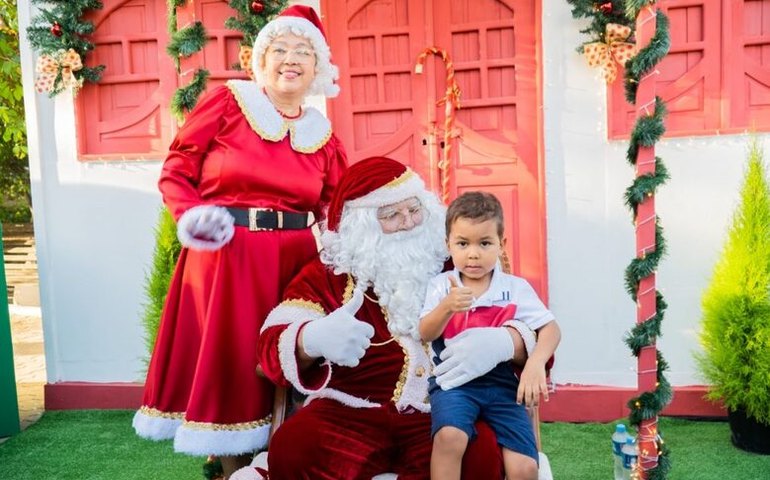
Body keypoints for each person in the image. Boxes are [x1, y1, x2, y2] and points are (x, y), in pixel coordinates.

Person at [132, 5, 347, 477]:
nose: (291, 60)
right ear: (261, 58)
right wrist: (192, 216)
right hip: (227, 258)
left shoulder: (323, 135)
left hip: (296, 266)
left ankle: (283, 461)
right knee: (231, 359)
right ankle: (231, 468)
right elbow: (177, 169)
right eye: (281, 49)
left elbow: (337, 206)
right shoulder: (229, 103)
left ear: (317, 67)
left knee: (288, 355)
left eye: (303, 52)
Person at [248, 157, 539, 479]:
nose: (409, 222)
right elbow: (270, 346)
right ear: (361, 225)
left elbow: (534, 324)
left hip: (446, 407)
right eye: (391, 215)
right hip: (350, 410)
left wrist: (506, 342)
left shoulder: (458, 261)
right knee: (294, 446)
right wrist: (311, 339)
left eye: (414, 210)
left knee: (479, 454)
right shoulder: (328, 274)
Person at [419, 191, 561, 480]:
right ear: (448, 244)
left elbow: (551, 329)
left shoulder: (515, 288)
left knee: (525, 467)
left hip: (502, 385)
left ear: (501, 244)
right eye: (463, 243)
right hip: (454, 382)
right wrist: (446, 307)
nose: (473, 254)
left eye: (484, 243)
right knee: (449, 438)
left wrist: (535, 364)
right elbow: (425, 332)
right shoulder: (441, 285)